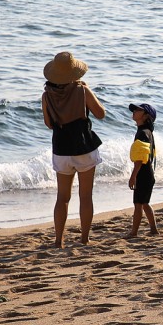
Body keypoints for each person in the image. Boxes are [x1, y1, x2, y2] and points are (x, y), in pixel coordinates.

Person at [41, 51, 106, 248]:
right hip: (84, 146)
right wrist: (87, 91)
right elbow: (100, 114)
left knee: (62, 197)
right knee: (85, 196)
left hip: (61, 148)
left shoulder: (46, 95)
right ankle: (84, 238)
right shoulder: (82, 91)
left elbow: (49, 124)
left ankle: (58, 240)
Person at [127, 103, 158, 238]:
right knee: (144, 203)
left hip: (143, 174)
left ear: (146, 116)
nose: (134, 111)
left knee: (138, 204)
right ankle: (153, 229)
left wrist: (133, 176)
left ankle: (134, 233)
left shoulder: (143, 133)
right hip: (147, 173)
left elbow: (140, 159)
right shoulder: (147, 131)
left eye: (138, 110)